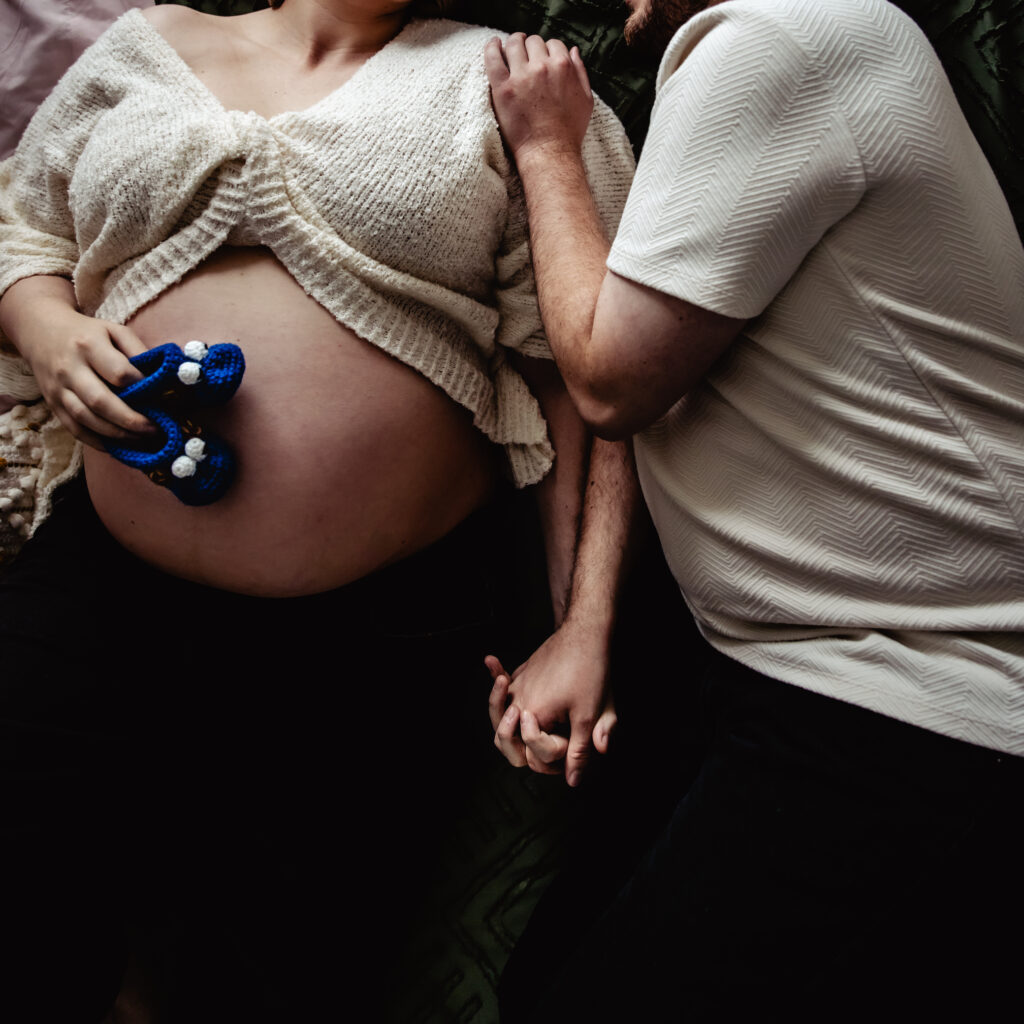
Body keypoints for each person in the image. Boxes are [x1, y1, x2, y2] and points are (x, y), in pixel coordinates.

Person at [0, 0, 636, 1019]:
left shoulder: (507, 81)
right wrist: (42, 324)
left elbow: (598, 373)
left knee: (264, 979)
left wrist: (583, 624)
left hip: (373, 632)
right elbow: (20, 225)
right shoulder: (143, 47)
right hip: (98, 592)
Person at [482, 0, 1024, 1019]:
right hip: (792, 676)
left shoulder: (788, 38)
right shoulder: (773, 52)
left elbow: (608, 378)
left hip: (932, 700)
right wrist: (589, 625)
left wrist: (549, 148)